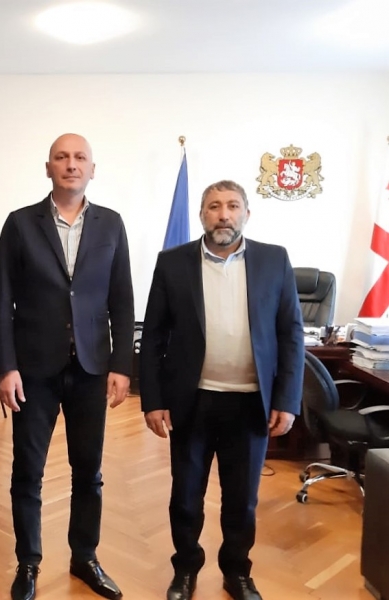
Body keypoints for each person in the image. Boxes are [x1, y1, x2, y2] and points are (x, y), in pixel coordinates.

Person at [139, 180, 304, 600]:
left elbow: (291, 334)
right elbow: (153, 335)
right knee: (185, 496)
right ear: (202, 215)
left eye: (232, 206)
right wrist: (153, 400)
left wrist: (287, 400)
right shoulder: (173, 262)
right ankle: (185, 570)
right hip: (192, 400)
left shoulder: (274, 260)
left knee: (242, 500)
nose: (224, 215)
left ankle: (237, 572)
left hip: (251, 402)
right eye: (214, 207)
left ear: (247, 213)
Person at [0, 133, 134, 600]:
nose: (71, 164)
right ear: (48, 167)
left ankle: (84, 556)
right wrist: (5, 366)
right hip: (33, 369)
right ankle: (28, 563)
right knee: (27, 471)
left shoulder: (112, 224)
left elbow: (122, 299)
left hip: (92, 368)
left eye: (80, 158)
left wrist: (122, 364)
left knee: (88, 471)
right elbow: (1, 301)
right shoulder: (20, 223)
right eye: (61, 157)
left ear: (92, 169)